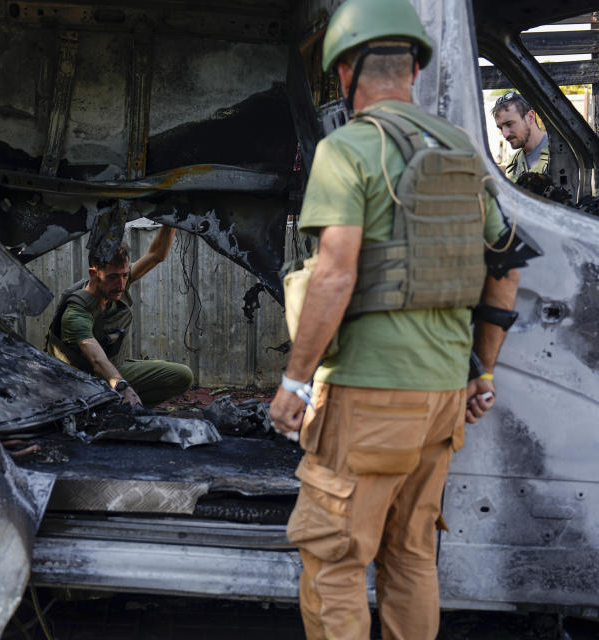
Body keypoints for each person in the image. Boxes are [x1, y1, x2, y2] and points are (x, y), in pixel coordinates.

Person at [268, 0, 522, 638]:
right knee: (410, 556)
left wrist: (295, 382)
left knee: (335, 558)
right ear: (414, 66)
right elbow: (507, 270)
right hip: (442, 398)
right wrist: (481, 374)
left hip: (369, 397)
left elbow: (334, 273)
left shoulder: (349, 150)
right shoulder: (464, 153)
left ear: (347, 69)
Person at [45, 226, 193, 408]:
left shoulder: (115, 284)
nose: (121, 284)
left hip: (110, 370)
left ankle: (124, 409)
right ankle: (107, 408)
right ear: (94, 274)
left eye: (124, 275)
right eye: (114, 277)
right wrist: (124, 388)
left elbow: (157, 255)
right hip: (77, 382)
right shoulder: (76, 313)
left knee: (182, 376)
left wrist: (171, 221)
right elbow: (97, 361)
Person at [492, 91, 549, 181]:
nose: (505, 134)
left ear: (530, 117)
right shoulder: (513, 163)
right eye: (500, 128)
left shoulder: (561, 152)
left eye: (509, 124)